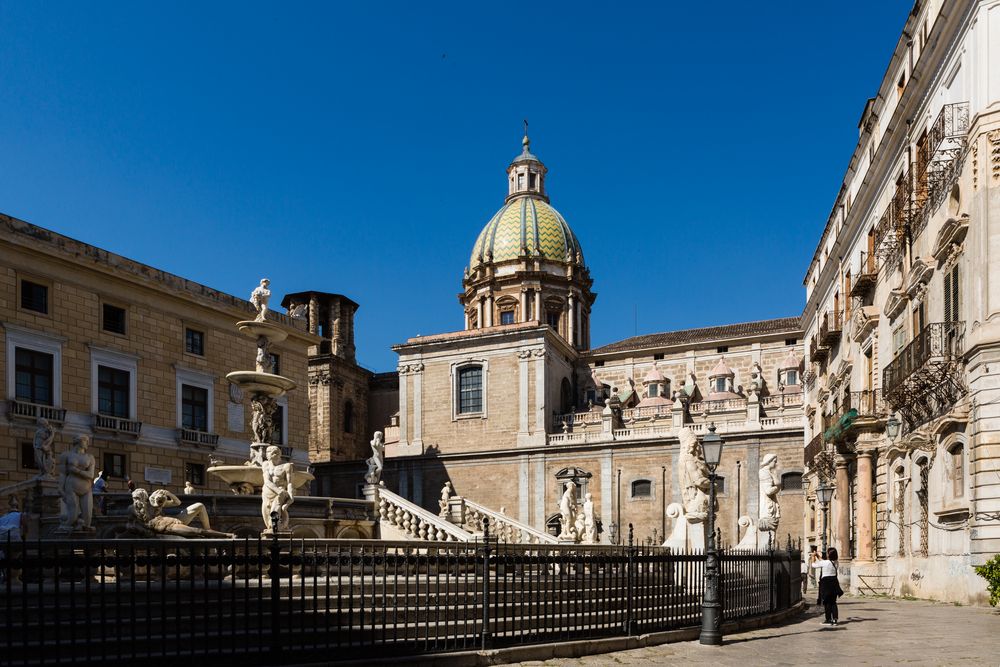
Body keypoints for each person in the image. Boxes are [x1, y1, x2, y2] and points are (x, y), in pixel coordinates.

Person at [812, 546, 843, 625]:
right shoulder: (836, 562)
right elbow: (824, 561)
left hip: (826, 583)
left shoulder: (825, 563)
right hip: (834, 583)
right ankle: (835, 619)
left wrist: (813, 557)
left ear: (829, 554)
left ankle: (828, 619)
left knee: (826, 602)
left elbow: (813, 565)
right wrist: (818, 556)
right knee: (833, 601)